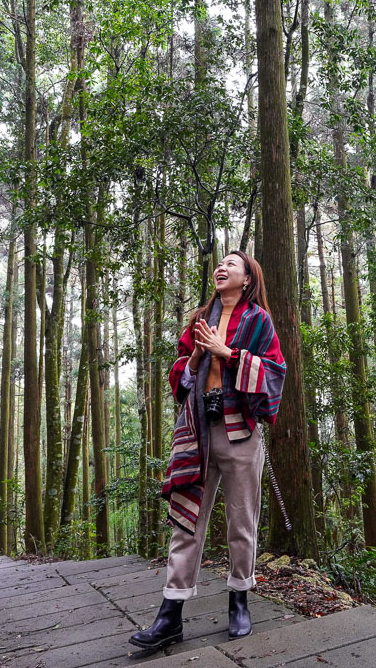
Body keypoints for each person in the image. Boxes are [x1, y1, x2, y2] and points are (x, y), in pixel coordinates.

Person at [129, 250, 285, 652]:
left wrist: (228, 353)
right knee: (186, 522)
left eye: (233, 264)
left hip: (240, 435)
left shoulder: (258, 320)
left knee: (241, 522)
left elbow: (274, 373)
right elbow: (179, 375)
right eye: (220, 263)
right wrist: (199, 354)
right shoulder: (200, 317)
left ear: (248, 279)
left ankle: (239, 600)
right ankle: (170, 613)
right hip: (197, 432)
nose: (222, 267)